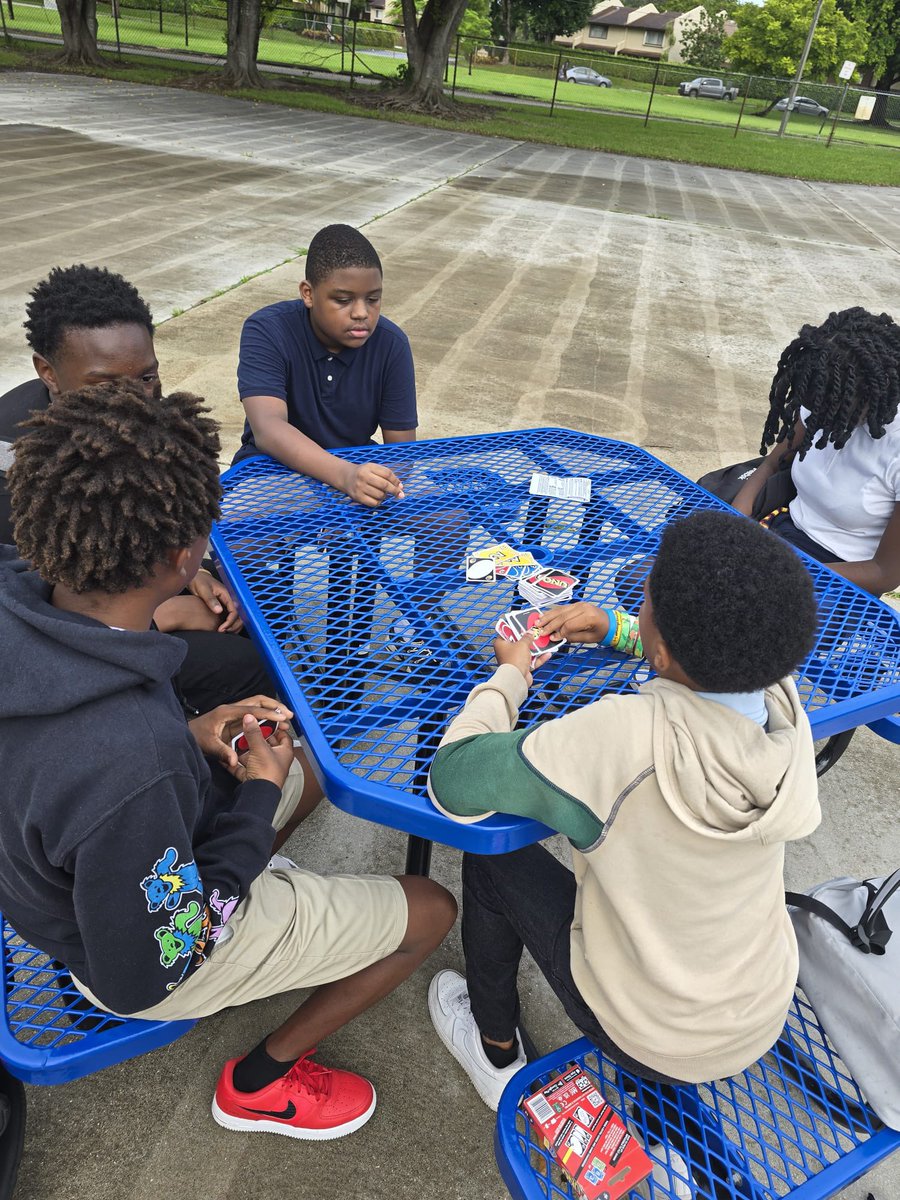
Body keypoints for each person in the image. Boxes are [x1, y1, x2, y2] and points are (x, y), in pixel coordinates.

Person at [0, 380, 456, 1138]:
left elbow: (69, 770)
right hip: (138, 957)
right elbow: (154, 960)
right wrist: (248, 805)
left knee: (300, 770)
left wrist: (192, 734)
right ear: (186, 556)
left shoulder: (23, 604)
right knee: (432, 911)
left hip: (74, 878)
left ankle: (245, 889)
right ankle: (260, 1083)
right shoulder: (128, 763)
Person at [425, 511, 821, 1108]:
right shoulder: (781, 702)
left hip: (648, 1036)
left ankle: (495, 1050)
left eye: (645, 597)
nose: (639, 599)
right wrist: (617, 627)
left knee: (493, 858)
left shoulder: (622, 737)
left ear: (663, 649)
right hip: (757, 1008)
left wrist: (508, 677)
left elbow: (453, 780)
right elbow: (700, 667)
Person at [0, 264, 275, 713]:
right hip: (69, 650)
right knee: (246, 663)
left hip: (132, 588)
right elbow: (28, 602)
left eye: (147, 378)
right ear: (47, 372)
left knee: (249, 603)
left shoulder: (134, 419)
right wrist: (163, 616)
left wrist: (196, 574)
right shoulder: (15, 459)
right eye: (106, 384)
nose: (136, 400)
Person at [236, 223, 416, 507]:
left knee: (447, 519)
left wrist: (370, 488)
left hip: (356, 464)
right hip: (274, 466)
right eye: (342, 300)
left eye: (373, 299)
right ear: (308, 293)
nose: (361, 313)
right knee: (245, 532)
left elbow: (402, 453)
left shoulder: (391, 344)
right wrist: (343, 479)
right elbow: (268, 428)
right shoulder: (268, 330)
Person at [733, 307, 900, 596]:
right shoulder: (824, 401)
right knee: (641, 577)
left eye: (831, 408)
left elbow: (884, 574)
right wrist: (734, 519)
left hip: (841, 582)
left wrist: (784, 568)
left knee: (730, 623)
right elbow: (771, 465)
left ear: (872, 394)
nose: (817, 416)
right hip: (780, 537)